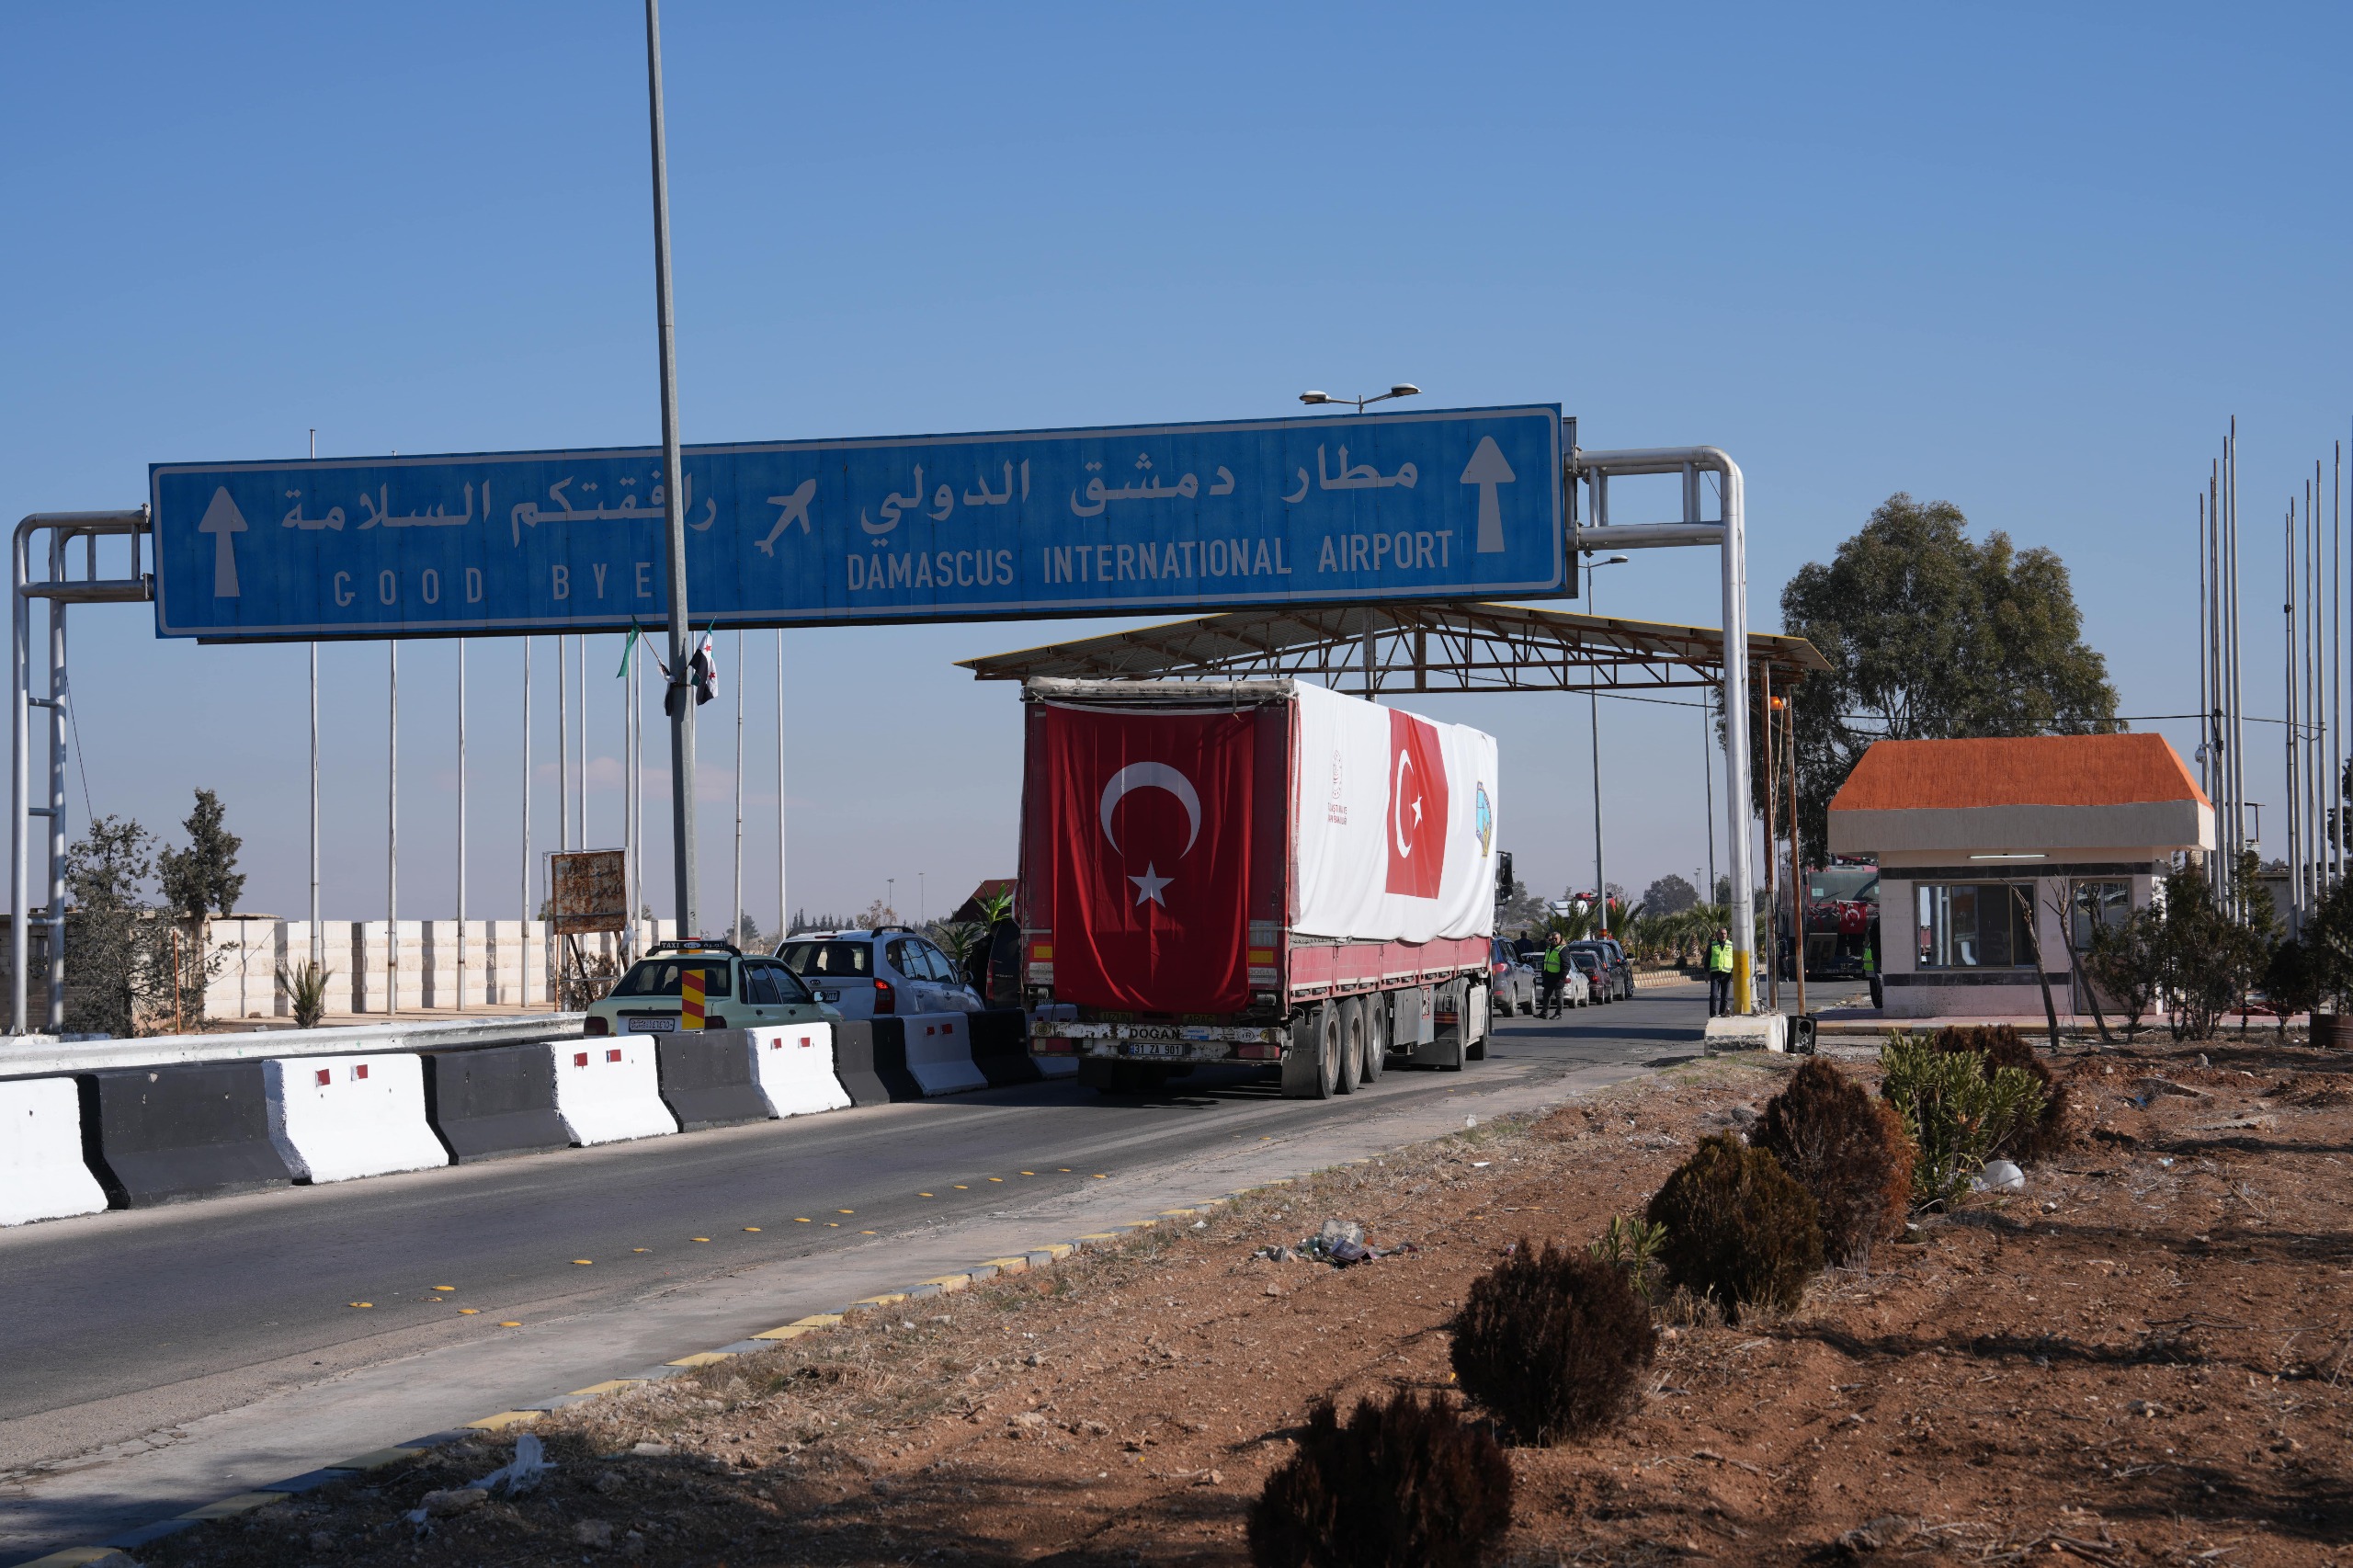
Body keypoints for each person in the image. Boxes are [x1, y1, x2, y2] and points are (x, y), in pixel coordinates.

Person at [1705, 926, 1735, 1017]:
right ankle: (1713, 1015)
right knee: (1713, 996)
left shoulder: (1731, 945)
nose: (1723, 935)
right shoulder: (1712, 945)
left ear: (1727, 935)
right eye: (1721, 933)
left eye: (1725, 933)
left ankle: (1721, 1013)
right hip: (1715, 974)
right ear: (1717, 935)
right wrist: (1706, 972)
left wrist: (1733, 973)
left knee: (1724, 997)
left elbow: (1734, 959)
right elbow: (1707, 959)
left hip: (1727, 975)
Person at [1539, 933, 1568, 1017]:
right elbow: (1545, 961)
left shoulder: (1563, 948)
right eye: (1552, 939)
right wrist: (1543, 972)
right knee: (1546, 995)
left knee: (1558, 995)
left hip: (1557, 977)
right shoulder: (1549, 948)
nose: (1554, 940)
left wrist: (1562, 977)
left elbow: (1566, 965)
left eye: (1556, 938)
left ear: (1560, 939)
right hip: (1548, 976)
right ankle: (1544, 1013)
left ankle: (1558, 1014)